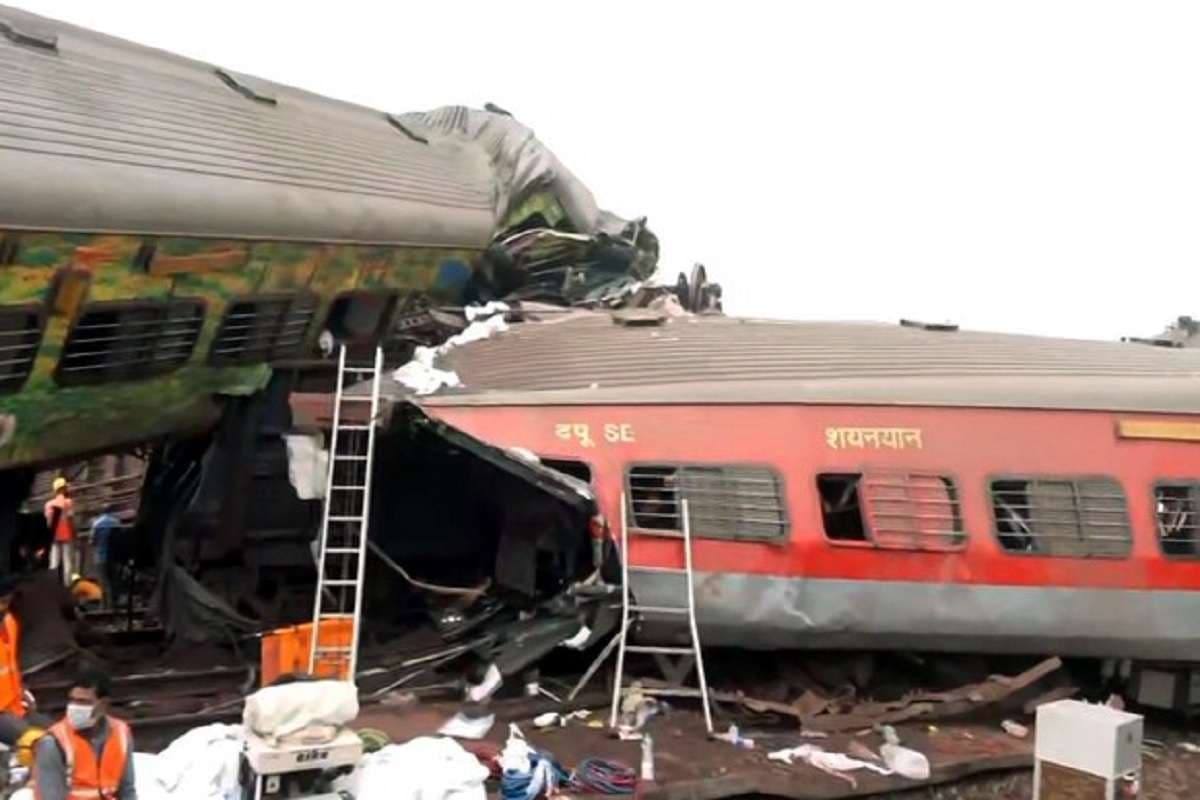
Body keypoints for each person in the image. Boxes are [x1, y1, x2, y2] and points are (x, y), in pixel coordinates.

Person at [34, 668, 135, 800]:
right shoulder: (53, 743)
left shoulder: (121, 734)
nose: (74, 707)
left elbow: (127, 790)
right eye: (72, 700)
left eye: (83, 701)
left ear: (103, 704)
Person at [0, 576, 48, 765]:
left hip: (15, 705)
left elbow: (11, 664)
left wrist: (22, 691)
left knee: (58, 734)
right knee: (38, 743)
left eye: (7, 601)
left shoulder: (11, 623)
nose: (4, 607)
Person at [43, 479, 75, 587]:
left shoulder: (48, 504)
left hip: (53, 536)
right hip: (66, 535)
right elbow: (70, 520)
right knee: (67, 562)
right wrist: (74, 533)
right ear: (63, 489)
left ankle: (52, 586)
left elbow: (47, 522)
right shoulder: (68, 502)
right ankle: (67, 586)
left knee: (54, 562)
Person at [89, 507, 121, 610]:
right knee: (114, 581)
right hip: (115, 556)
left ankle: (104, 606)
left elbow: (92, 541)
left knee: (103, 582)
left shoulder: (96, 523)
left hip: (100, 556)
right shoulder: (116, 522)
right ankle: (114, 605)